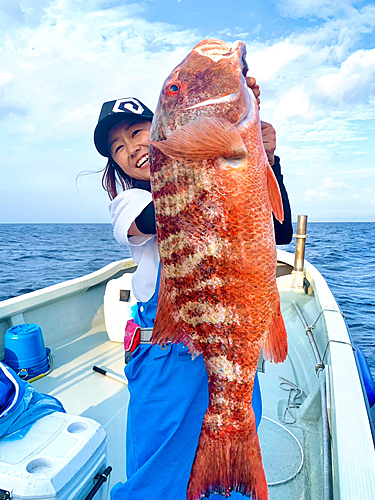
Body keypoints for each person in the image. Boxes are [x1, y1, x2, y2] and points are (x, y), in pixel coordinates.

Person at [93, 81, 293, 500]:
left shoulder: (213, 175)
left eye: (136, 131)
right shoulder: (129, 203)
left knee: (232, 463)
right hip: (164, 359)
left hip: (228, 348)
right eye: (117, 148)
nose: (130, 148)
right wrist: (212, 149)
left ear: (164, 127)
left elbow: (279, 229)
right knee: (158, 464)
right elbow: (159, 215)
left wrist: (264, 157)